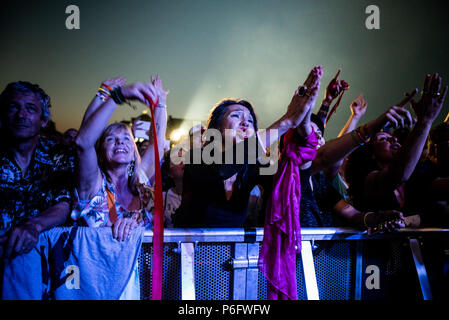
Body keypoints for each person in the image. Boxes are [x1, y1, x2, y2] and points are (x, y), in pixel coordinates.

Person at [173, 66, 325, 228]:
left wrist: (303, 122)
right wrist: (285, 122)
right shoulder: (197, 157)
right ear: (217, 128)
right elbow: (222, 169)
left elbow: (289, 187)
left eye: (251, 121)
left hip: (233, 251)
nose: (245, 122)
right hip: (187, 250)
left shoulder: (253, 166)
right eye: (236, 115)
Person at [71, 75, 168, 241]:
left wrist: (160, 102)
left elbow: (158, 141)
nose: (119, 141)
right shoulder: (93, 185)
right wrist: (116, 96)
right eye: (110, 139)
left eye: (126, 138)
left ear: (133, 150)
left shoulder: (141, 183)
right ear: (100, 152)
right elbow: (83, 143)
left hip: (145, 267)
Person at [346, 73, 448, 226]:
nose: (393, 139)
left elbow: (440, 186)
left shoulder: (417, 173)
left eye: (393, 137)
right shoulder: (362, 175)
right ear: (372, 154)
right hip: (376, 248)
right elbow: (395, 176)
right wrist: (425, 121)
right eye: (383, 139)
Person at [0, 81, 75, 258]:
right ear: (2, 116)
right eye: (13, 107)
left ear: (43, 120)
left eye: (31, 109)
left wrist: (34, 226)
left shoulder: (58, 153)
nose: (21, 115)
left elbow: (63, 203)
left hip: (41, 262)